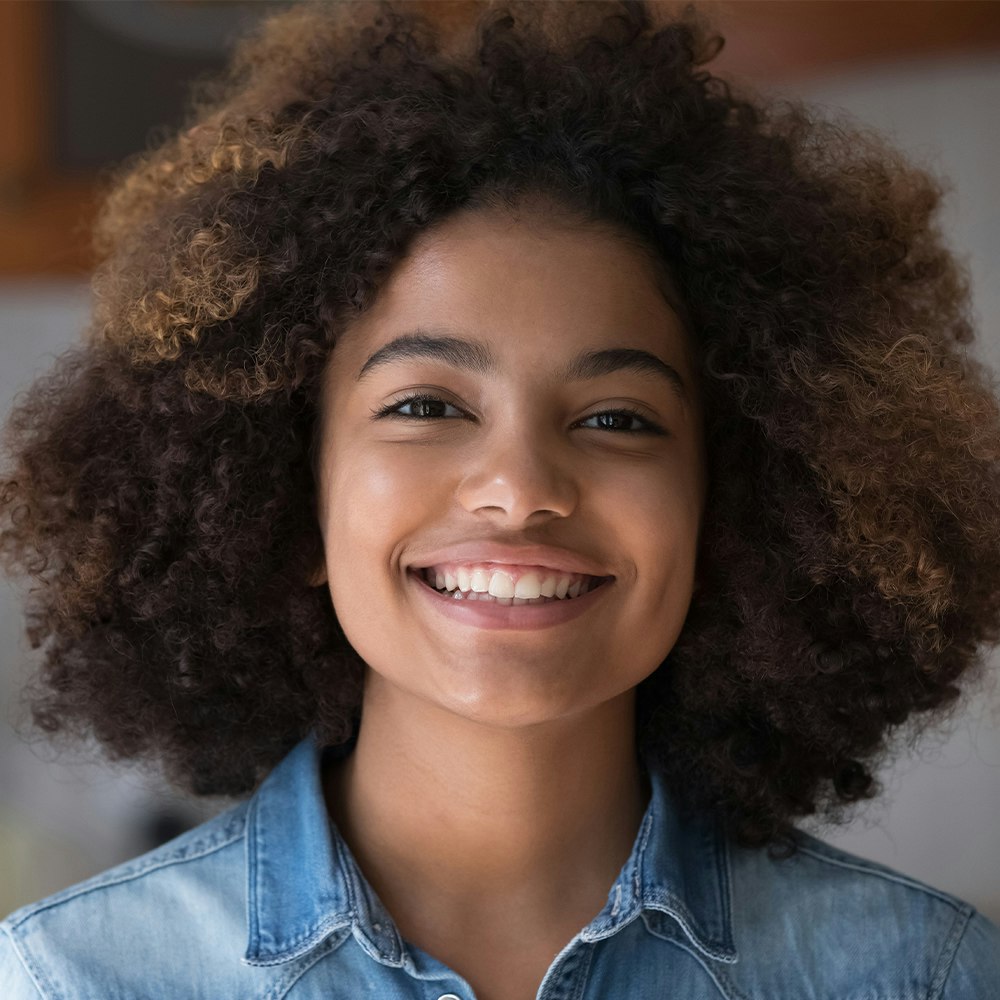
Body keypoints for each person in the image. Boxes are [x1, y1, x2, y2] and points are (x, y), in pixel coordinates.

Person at [1, 1, 999, 996]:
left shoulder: (919, 974)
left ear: (726, 509)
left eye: (616, 417)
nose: (520, 491)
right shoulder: (71, 979)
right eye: (426, 402)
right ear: (288, 494)